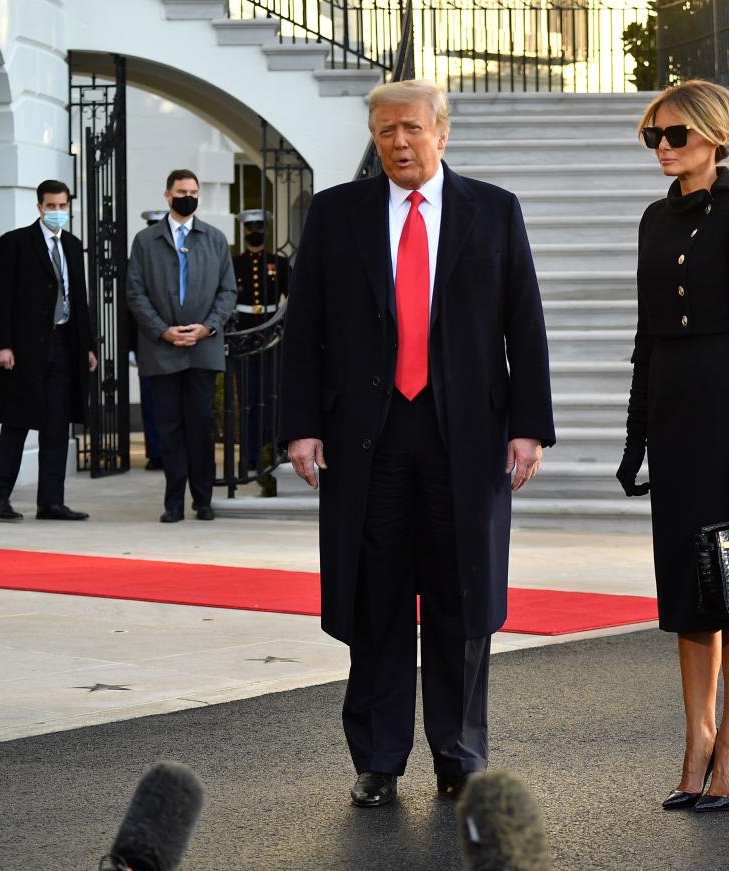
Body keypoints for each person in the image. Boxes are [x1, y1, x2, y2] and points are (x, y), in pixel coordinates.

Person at [280, 79, 554, 808]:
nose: (397, 142)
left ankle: (459, 754)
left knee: (462, 597)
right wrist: (302, 425)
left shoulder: (493, 211)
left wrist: (528, 427)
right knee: (376, 597)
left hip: (464, 434)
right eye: (383, 131)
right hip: (365, 436)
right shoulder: (337, 214)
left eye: (409, 128)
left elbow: (522, 322)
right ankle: (378, 758)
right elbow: (303, 327)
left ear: (442, 131)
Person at [616, 80, 729, 812]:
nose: (664, 148)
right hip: (676, 423)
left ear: (713, 136)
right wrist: (634, 436)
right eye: (655, 137)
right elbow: (646, 339)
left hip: (727, 415)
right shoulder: (653, 220)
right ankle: (696, 740)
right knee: (687, 596)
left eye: (675, 135)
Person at [125, 170, 237, 523]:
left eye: (193, 191)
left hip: (203, 349)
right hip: (162, 350)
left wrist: (207, 327)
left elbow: (228, 291)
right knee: (169, 427)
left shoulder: (215, 238)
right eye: (181, 191)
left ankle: (203, 499)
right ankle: (172, 502)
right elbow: (135, 292)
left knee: (201, 426)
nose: (187, 196)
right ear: (167, 195)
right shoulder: (146, 241)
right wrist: (163, 331)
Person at [0, 179, 97, 521]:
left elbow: (81, 301)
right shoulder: (15, 242)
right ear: (39, 207)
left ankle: (51, 502)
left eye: (63, 206)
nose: (58, 212)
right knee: (16, 423)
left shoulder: (73, 246)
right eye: (51, 206)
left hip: (64, 346)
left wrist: (87, 347)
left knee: (56, 427)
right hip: (25, 350)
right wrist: (2, 344)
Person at [230, 208, 290, 494]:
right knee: (248, 401)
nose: (254, 231)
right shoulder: (234, 263)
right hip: (244, 339)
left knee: (271, 398)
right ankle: (249, 455)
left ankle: (270, 452)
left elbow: (291, 300)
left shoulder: (278, 263)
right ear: (244, 231)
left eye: (258, 227)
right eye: (250, 227)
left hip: (271, 338)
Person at [136, 209, 168, 472]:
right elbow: (130, 304)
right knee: (150, 402)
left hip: (181, 340)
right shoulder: (139, 257)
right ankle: (156, 451)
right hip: (148, 341)